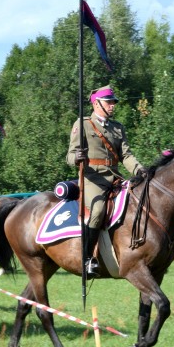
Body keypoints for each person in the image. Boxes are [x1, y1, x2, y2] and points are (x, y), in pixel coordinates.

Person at [66, 85, 145, 277]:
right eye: (109, 102)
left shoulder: (117, 127)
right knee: (99, 209)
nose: (112, 106)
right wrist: (77, 158)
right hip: (92, 178)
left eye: (113, 102)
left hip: (115, 178)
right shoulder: (83, 124)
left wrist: (140, 170)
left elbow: (126, 155)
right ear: (97, 103)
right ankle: (86, 258)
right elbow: (69, 156)